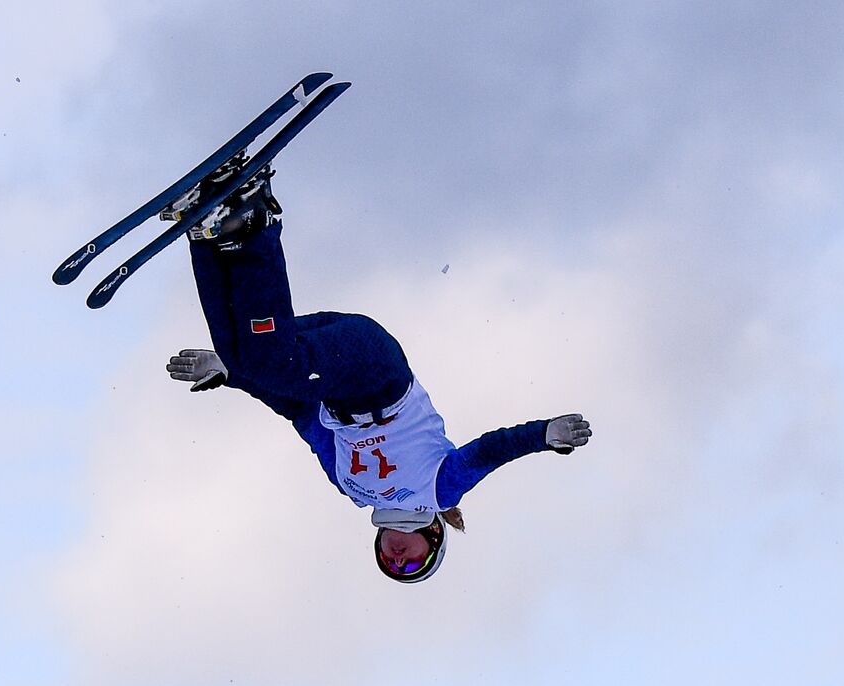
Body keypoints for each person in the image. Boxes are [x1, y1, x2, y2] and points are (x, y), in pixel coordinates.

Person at [165, 159, 591, 583]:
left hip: (332, 378)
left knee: (244, 354)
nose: (398, 557)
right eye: (413, 562)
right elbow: (490, 451)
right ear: (435, 537)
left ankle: (208, 233)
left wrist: (229, 374)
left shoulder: (350, 487)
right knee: (272, 362)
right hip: (374, 368)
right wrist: (543, 435)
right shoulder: (438, 490)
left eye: (391, 565)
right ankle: (255, 218)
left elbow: (301, 413)